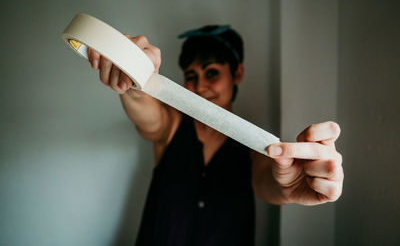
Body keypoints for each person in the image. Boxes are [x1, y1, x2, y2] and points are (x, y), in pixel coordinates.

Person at [87, 25, 344, 246]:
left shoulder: (254, 145)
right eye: (191, 76)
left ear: (237, 74)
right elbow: (146, 112)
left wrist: (288, 189)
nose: (199, 87)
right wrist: (134, 81)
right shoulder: (172, 125)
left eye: (211, 73)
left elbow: (269, 183)